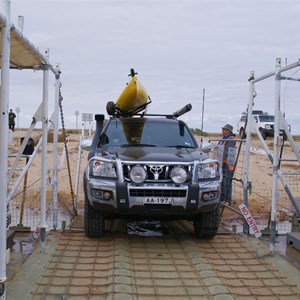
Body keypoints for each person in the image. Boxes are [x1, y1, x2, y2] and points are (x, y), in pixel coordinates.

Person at [218, 124, 236, 205]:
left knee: (227, 182)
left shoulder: (231, 139)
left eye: (224, 129)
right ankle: (222, 198)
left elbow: (227, 152)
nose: (222, 131)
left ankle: (227, 201)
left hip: (228, 165)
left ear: (228, 130)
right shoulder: (224, 139)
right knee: (222, 181)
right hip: (222, 163)